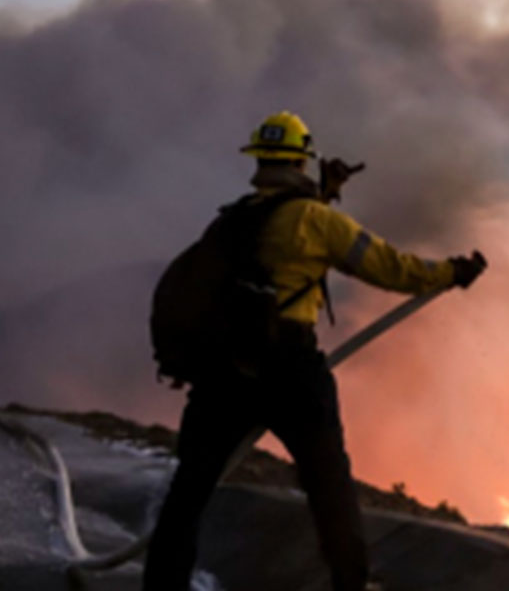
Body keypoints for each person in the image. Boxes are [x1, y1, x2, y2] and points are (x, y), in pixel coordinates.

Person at [143, 111, 486, 591]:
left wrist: (323, 192)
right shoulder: (317, 221)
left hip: (224, 374)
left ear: (260, 160)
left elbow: (280, 234)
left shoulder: (233, 220)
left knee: (189, 492)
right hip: (290, 371)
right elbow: (392, 268)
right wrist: (452, 273)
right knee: (330, 491)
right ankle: (350, 583)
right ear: (303, 160)